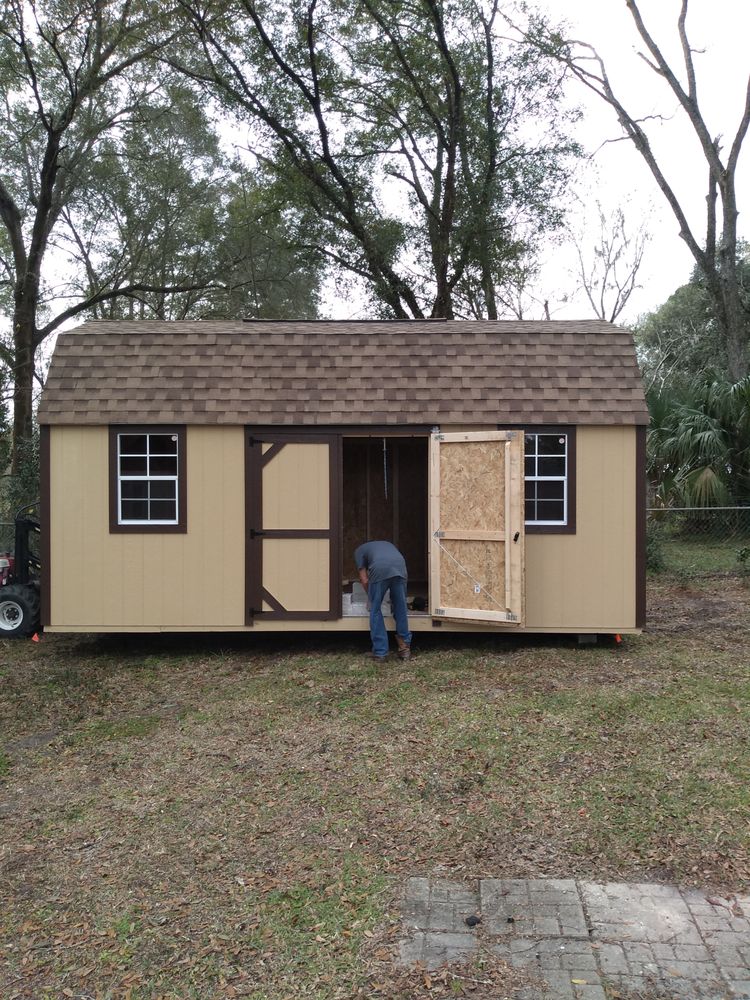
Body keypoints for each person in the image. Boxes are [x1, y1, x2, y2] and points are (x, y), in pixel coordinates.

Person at [354, 540, 412, 662]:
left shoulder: (358, 551)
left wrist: (371, 597)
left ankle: (381, 652)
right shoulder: (386, 545)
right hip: (400, 566)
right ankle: (404, 649)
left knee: (375, 609)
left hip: (380, 568)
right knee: (400, 607)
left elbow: (364, 580)